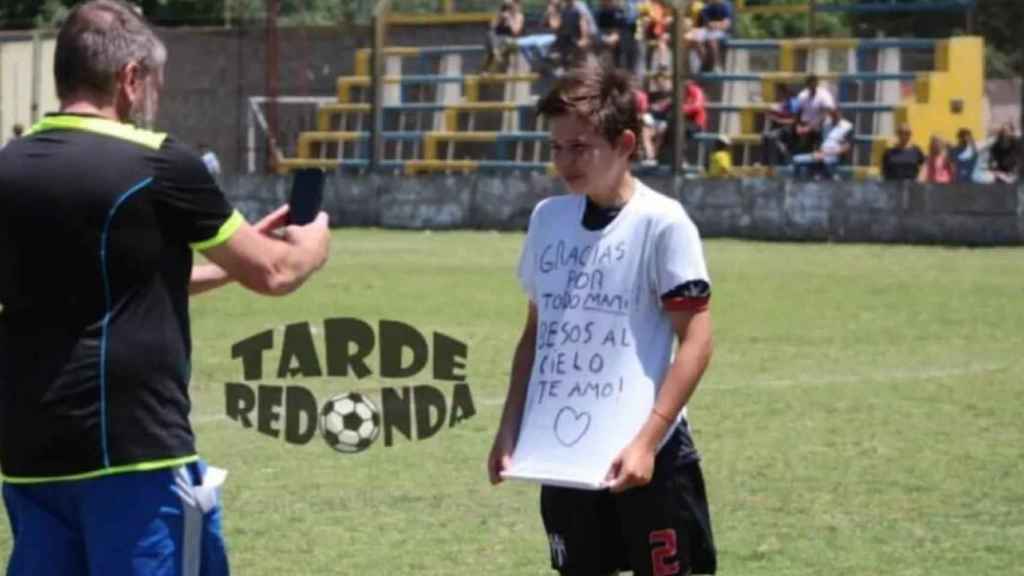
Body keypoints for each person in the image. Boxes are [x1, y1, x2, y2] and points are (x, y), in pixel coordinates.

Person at [0, 2, 331, 574]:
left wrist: (233, 258)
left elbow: (112, 283)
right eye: (152, 83)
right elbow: (276, 273)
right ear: (130, 77)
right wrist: (311, 245)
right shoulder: (156, 162)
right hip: (134, 451)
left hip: (30, 454)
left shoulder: (8, 166)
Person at [488, 56, 717, 576]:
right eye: (557, 148)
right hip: (564, 456)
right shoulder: (548, 220)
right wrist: (509, 429)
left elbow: (698, 343)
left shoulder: (663, 224)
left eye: (581, 147)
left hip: (649, 459)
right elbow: (535, 336)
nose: (566, 161)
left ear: (625, 145)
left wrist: (645, 443)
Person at [791, 106, 853, 180]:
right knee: (796, 159)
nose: (832, 116)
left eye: (834, 114)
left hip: (834, 156)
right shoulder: (826, 124)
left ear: (839, 114)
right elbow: (814, 133)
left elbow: (847, 147)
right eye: (830, 114)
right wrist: (817, 152)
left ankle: (828, 176)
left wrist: (827, 153)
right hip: (820, 154)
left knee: (825, 163)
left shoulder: (847, 127)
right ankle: (797, 181)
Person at [793, 75, 835, 153]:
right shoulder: (802, 95)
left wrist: (810, 127)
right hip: (806, 125)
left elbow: (827, 113)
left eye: (813, 83)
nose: (812, 85)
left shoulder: (824, 95)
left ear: (816, 83)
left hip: (821, 125)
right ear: (806, 84)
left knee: (823, 147)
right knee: (803, 148)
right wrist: (798, 126)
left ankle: (823, 156)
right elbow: (797, 111)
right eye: (809, 83)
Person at [689, 0, 733, 72]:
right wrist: (716, 24)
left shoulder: (725, 5)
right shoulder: (707, 7)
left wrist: (715, 25)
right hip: (708, 30)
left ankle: (713, 66)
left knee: (711, 41)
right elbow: (706, 23)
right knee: (695, 38)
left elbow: (726, 25)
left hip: (720, 32)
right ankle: (707, 66)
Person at [483, 0, 525, 73]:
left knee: (500, 42)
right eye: (510, 6)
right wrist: (499, 17)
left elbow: (516, 32)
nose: (513, 7)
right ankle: (495, 53)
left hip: (511, 40)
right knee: (490, 34)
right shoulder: (502, 14)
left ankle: (489, 67)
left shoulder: (519, 16)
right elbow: (492, 26)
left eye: (515, 5)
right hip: (498, 40)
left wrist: (509, 19)